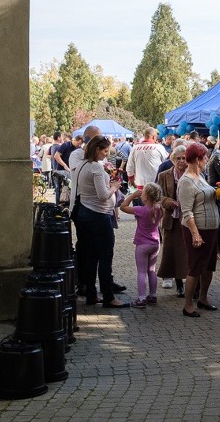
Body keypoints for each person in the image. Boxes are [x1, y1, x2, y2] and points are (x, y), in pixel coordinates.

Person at [71, 136, 128, 308]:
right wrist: (114, 186)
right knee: (105, 256)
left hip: (85, 214)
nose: (106, 154)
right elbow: (103, 195)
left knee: (90, 257)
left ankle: (91, 294)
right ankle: (109, 296)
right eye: (104, 151)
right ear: (97, 150)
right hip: (98, 216)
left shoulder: (82, 165)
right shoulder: (95, 167)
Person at [177, 142, 220, 318]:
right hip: (198, 229)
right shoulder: (186, 181)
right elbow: (186, 211)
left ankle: (203, 298)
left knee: (209, 266)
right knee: (195, 267)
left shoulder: (200, 176)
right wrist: (195, 233)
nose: (207, 161)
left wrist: (219, 191)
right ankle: (188, 305)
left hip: (211, 228)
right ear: (197, 159)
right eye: (205, 158)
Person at [119, 183, 163, 309]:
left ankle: (142, 298)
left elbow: (123, 207)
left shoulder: (141, 210)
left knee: (142, 271)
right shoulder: (159, 210)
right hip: (155, 243)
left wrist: (132, 195)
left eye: (143, 193)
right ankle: (153, 295)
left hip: (143, 244)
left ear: (146, 197)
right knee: (152, 270)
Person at [157, 145, 190, 298]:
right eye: (178, 158)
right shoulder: (164, 175)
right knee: (171, 250)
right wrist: (169, 202)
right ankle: (175, 281)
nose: (182, 161)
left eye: (184, 158)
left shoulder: (192, 174)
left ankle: (187, 281)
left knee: (185, 251)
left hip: (188, 219)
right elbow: (159, 196)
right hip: (171, 218)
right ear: (173, 159)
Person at [127, 128, 167, 196]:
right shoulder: (159, 148)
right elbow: (166, 164)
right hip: (155, 184)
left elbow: (130, 166)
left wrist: (131, 180)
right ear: (153, 137)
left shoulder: (135, 148)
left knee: (140, 206)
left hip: (139, 185)